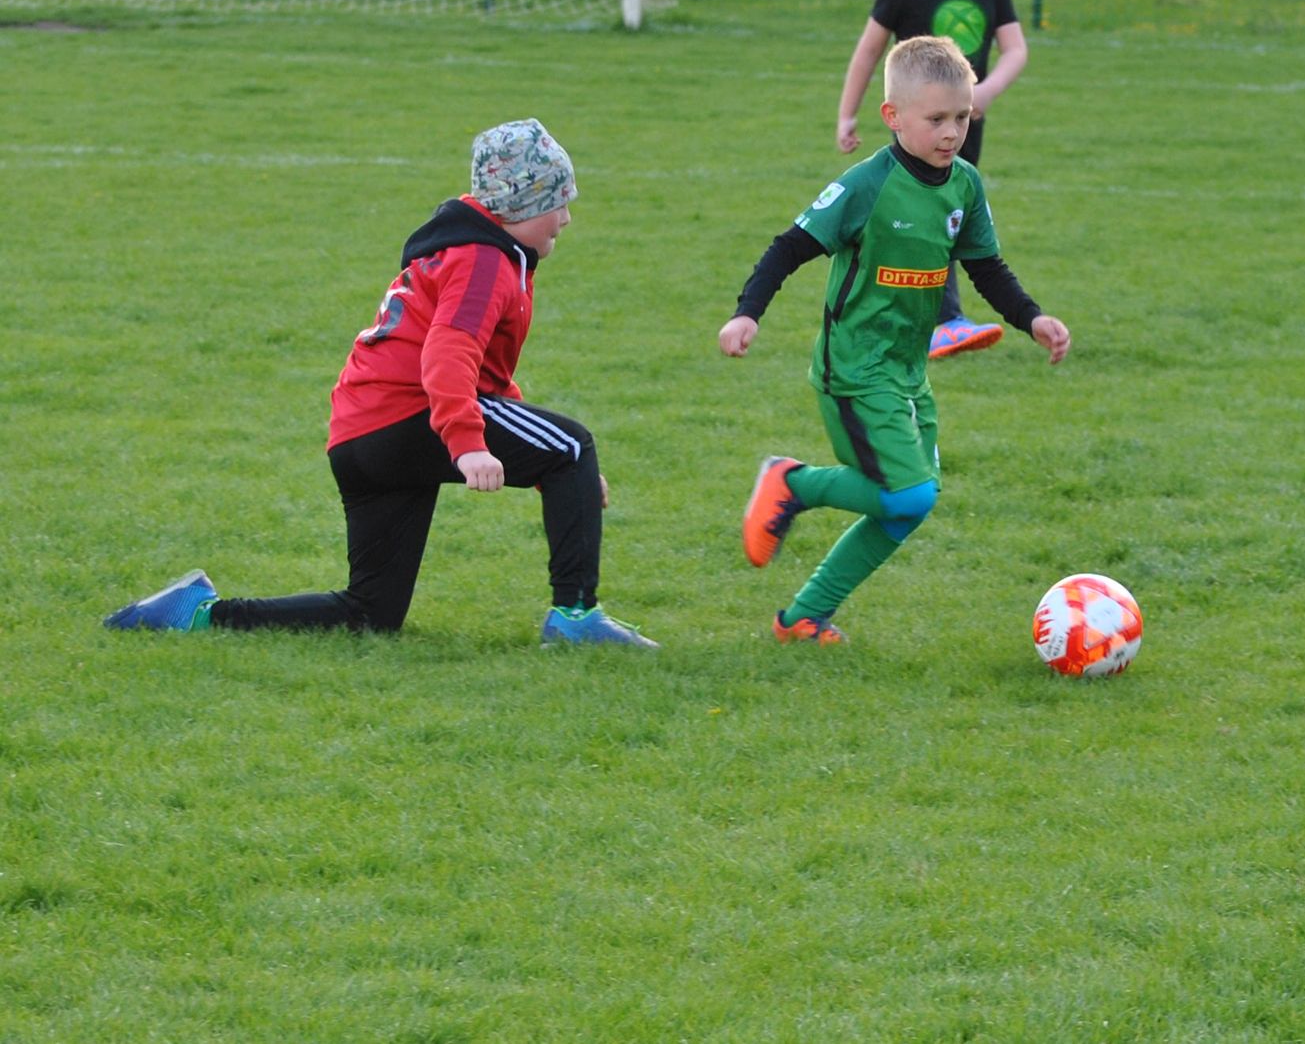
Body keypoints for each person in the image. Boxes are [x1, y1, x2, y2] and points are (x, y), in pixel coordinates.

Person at [105, 119, 655, 649]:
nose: (565, 218)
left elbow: (484, 381)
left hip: (359, 435)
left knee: (370, 614)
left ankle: (196, 615)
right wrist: (470, 445)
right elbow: (448, 354)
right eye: (557, 203)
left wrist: (549, 472)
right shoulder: (485, 259)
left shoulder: (471, 250)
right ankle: (576, 617)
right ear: (520, 206)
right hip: (408, 417)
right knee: (573, 443)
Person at [723, 37, 1069, 644]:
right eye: (936, 119)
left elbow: (986, 267)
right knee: (907, 495)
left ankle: (804, 617)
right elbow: (789, 246)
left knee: (910, 503)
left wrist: (1032, 318)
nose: (952, 132)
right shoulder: (866, 185)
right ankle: (791, 482)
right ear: (894, 117)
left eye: (962, 118)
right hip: (855, 369)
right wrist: (747, 313)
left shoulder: (964, 185)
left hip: (908, 370)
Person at [836, 0, 1029, 360]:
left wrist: (985, 91)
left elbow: (1015, 49)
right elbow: (868, 51)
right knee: (931, 213)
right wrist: (847, 114)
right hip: (917, 126)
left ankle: (920, 315)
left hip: (964, 124)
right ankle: (943, 320)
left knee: (947, 211)